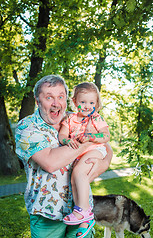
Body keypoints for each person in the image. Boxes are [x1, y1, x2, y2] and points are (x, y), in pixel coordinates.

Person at [15, 75, 113, 238]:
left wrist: (105, 162)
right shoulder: (27, 127)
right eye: (49, 97)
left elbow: (106, 145)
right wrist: (89, 140)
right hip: (47, 214)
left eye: (61, 97)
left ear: (68, 99)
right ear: (37, 100)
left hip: (81, 210)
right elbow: (51, 162)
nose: (56, 103)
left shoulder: (78, 117)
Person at [58, 82, 110, 237]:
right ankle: (82, 214)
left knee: (79, 172)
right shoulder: (69, 119)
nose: (87, 106)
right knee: (75, 179)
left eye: (92, 102)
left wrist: (92, 136)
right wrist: (67, 141)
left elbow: (106, 136)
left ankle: (83, 212)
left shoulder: (96, 118)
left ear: (96, 103)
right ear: (74, 102)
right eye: (83, 102)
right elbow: (62, 135)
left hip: (95, 150)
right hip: (79, 154)